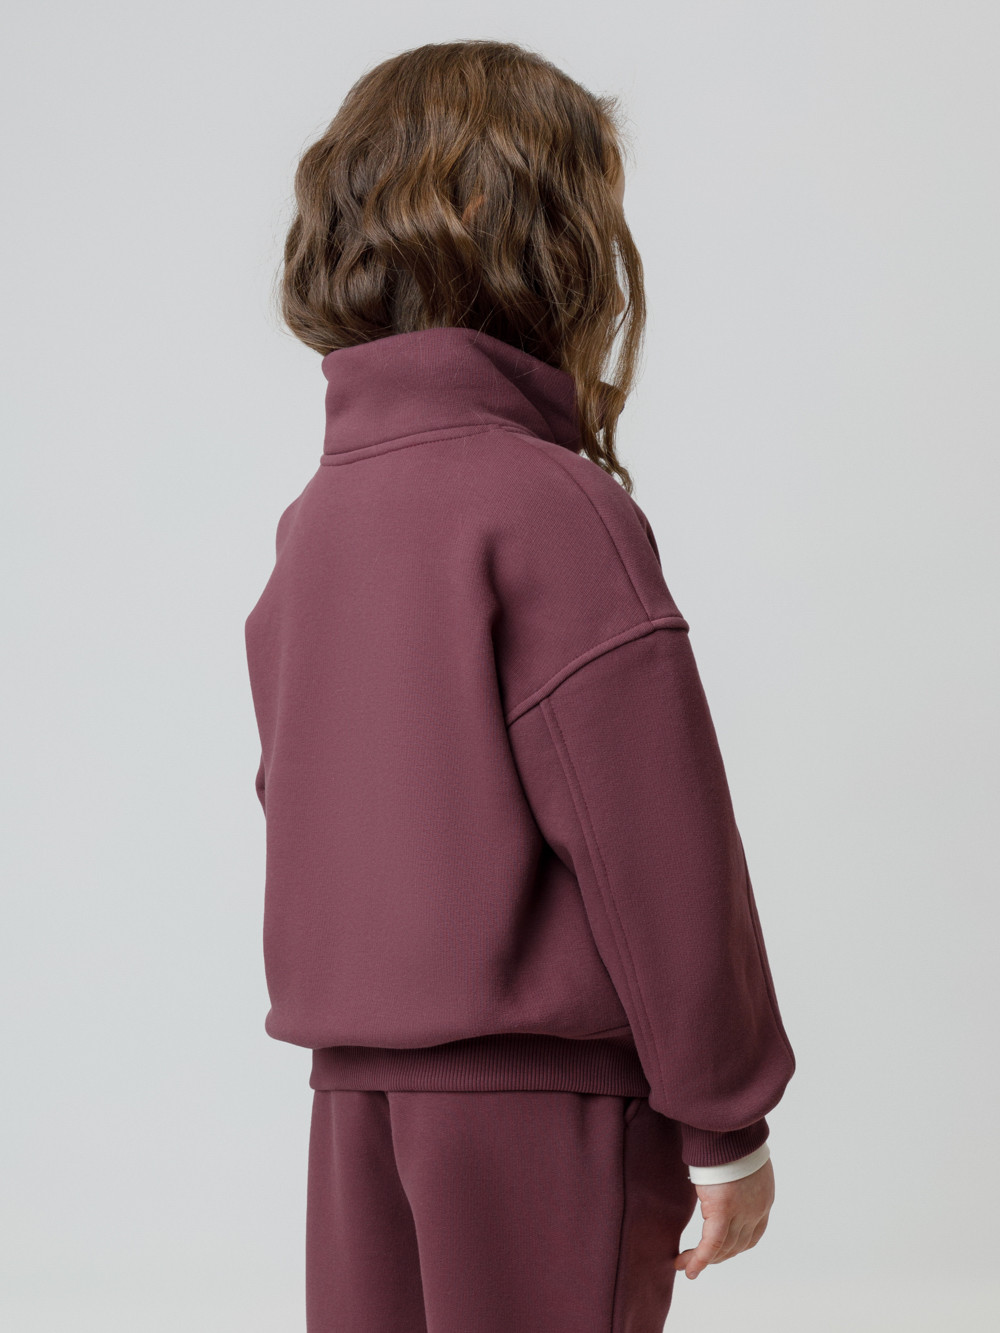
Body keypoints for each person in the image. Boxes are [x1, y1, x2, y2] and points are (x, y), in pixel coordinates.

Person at [244, 38, 797, 1333]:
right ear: (558, 245)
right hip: (546, 1105)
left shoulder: (316, 521)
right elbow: (653, 834)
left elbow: (298, 797)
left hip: (354, 1100)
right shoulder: (549, 503)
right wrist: (727, 1112)